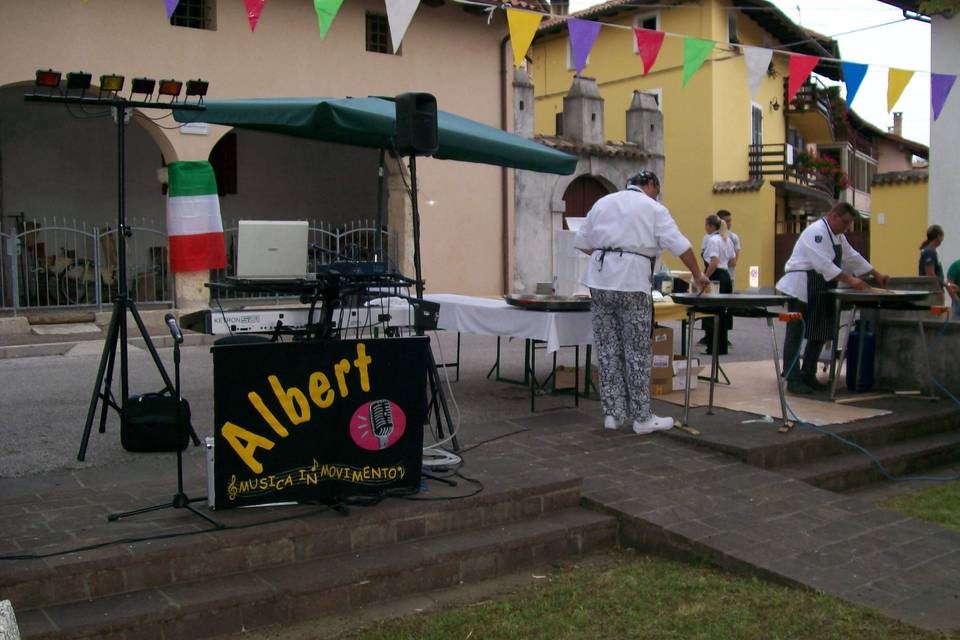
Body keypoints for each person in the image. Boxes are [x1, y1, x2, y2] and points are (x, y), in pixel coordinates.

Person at [575, 170, 711, 434]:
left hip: (600, 282)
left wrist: (610, 252)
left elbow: (582, 242)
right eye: (656, 191)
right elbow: (680, 245)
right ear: (650, 185)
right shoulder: (653, 208)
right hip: (632, 282)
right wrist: (698, 274)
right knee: (637, 350)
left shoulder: (603, 203)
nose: (656, 195)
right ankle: (642, 417)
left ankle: (612, 415)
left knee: (607, 349)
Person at [776, 202, 890, 394]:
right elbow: (822, 264)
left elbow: (852, 256)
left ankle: (808, 374)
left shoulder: (838, 236)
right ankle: (792, 378)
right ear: (834, 216)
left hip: (821, 287)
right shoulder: (816, 232)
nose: (846, 227)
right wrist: (852, 281)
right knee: (796, 332)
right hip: (801, 285)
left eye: (849, 224)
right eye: (844, 222)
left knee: (820, 332)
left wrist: (877, 274)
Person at [700, 215, 735, 355]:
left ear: (710, 226)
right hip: (726, 275)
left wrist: (705, 277)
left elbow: (713, 262)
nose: (705, 228)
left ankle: (712, 346)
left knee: (712, 311)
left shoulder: (713, 240)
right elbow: (733, 261)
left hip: (716, 276)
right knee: (723, 311)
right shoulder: (727, 239)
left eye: (706, 225)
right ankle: (722, 346)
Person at [918, 225, 958, 308]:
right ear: (938, 236)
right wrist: (938, 291)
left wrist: (946, 284)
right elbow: (930, 275)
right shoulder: (929, 252)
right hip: (932, 293)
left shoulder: (931, 251)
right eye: (942, 236)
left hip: (932, 291)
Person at [717, 209, 741, 288]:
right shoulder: (710, 237)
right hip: (714, 278)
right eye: (727, 221)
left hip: (729, 277)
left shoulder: (734, 238)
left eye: (730, 221)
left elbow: (733, 262)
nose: (729, 224)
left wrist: (721, 263)